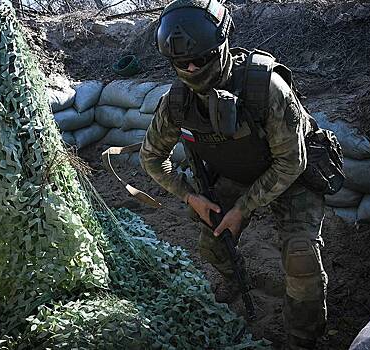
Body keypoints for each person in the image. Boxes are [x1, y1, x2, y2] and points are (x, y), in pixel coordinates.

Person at [140, 0, 336, 348]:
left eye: (200, 59)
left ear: (222, 44)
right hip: (237, 174)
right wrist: (193, 197)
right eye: (180, 63)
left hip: (292, 178)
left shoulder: (266, 87)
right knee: (212, 243)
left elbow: (291, 162)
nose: (190, 68)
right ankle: (236, 279)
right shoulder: (177, 103)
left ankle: (304, 337)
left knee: (301, 256)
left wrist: (242, 209)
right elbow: (152, 158)